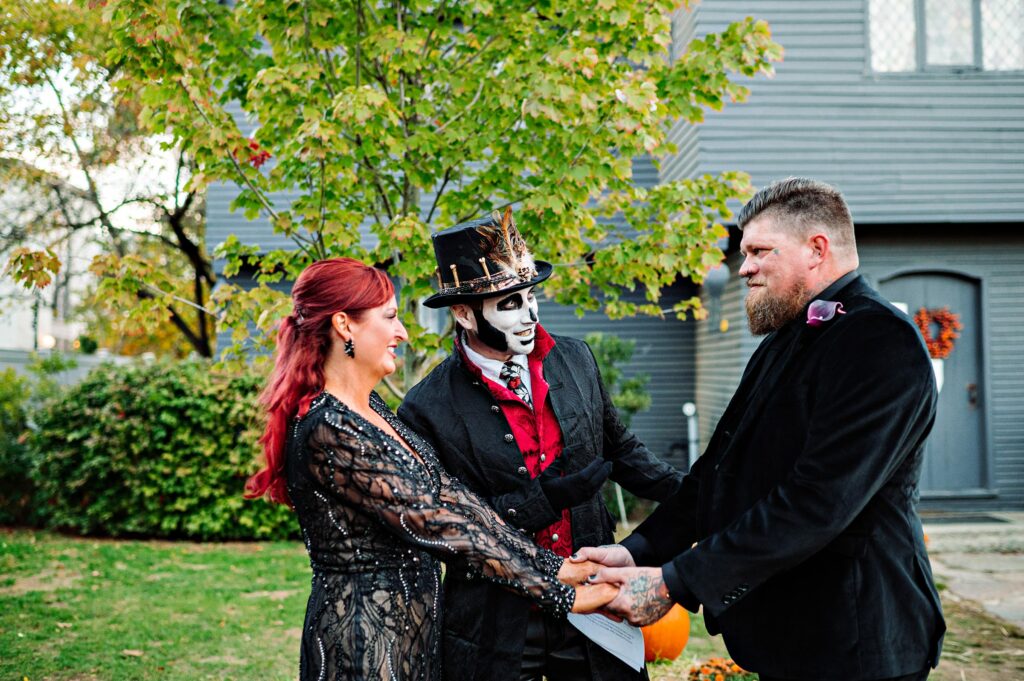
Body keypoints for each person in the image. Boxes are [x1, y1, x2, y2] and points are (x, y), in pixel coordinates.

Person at [576, 178, 947, 681]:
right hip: (788, 638)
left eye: (758, 251)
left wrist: (674, 583)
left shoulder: (881, 343)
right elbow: (717, 473)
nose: (744, 266)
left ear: (817, 249)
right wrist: (637, 550)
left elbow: (816, 504)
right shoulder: (784, 339)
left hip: (856, 640)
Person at [244, 257, 616, 681]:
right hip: (365, 646)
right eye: (390, 317)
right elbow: (437, 524)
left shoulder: (372, 410)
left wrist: (561, 568)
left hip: (415, 638)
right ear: (345, 326)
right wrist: (560, 596)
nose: (401, 332)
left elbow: (453, 499)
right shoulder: (329, 427)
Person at [398, 209, 684, 681]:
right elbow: (455, 530)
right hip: (497, 623)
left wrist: (701, 494)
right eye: (510, 303)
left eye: (531, 297)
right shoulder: (427, 407)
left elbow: (624, 452)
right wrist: (543, 500)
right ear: (465, 314)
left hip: (595, 604)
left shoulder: (574, 359)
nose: (530, 314)